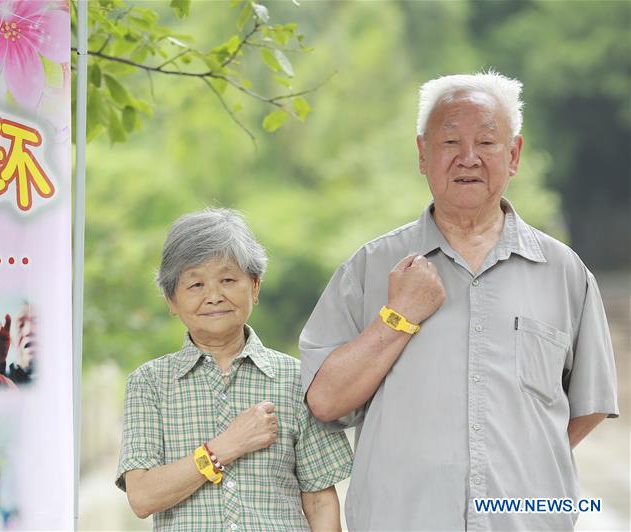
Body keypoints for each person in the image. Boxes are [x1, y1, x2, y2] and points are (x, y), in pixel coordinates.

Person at [300, 71, 619, 530]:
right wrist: (398, 317)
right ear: (422, 154)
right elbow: (324, 401)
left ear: (514, 155)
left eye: (487, 143)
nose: (468, 158)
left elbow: (586, 408)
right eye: (450, 142)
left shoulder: (565, 273)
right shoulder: (369, 269)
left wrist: (516, 473)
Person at [117, 208, 352, 531]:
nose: (214, 296)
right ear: (171, 300)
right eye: (195, 284)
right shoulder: (149, 384)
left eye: (228, 280)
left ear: (254, 286)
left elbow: (320, 500)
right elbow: (142, 497)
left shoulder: (298, 379)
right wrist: (225, 447)